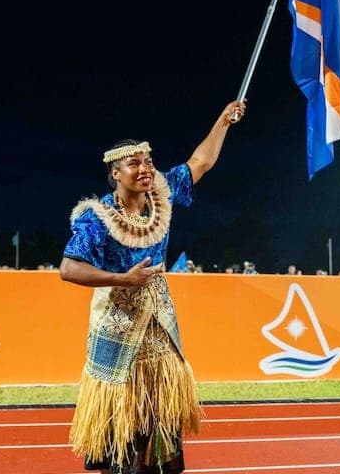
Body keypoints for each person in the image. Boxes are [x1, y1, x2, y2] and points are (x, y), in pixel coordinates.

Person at [59, 100, 244, 474]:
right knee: (123, 437)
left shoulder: (163, 195)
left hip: (159, 328)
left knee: (162, 433)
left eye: (148, 162)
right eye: (134, 164)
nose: (144, 169)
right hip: (119, 325)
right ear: (116, 173)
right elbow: (68, 269)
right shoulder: (96, 218)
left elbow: (201, 162)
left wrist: (222, 122)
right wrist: (122, 279)